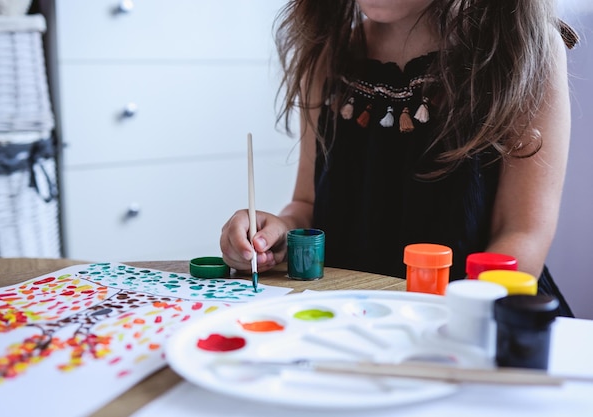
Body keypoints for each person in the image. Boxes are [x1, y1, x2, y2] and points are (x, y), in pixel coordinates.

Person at [220, 0, 578, 316]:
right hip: (350, 317)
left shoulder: (524, 50)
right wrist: (278, 235)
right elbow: (305, 203)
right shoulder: (327, 55)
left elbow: (522, 233)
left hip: (473, 320)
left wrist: (456, 320)